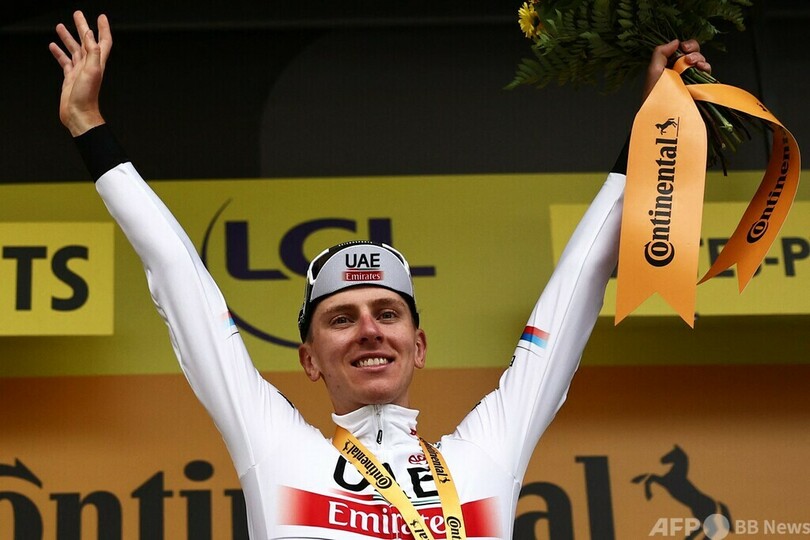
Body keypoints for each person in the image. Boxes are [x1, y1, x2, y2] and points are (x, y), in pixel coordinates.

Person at [50, 11, 709, 539]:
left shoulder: (485, 457)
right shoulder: (276, 448)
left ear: (418, 345)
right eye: (341, 318)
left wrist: (657, 126)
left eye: (387, 313)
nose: (369, 329)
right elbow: (180, 279)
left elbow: (575, 292)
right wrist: (88, 125)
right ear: (309, 359)